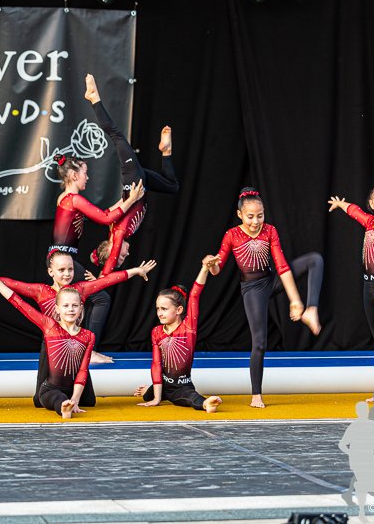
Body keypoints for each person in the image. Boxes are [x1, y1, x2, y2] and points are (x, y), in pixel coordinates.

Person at [0, 249, 156, 403]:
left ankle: (72, 397)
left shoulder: (80, 289)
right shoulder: (41, 291)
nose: (67, 274)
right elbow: (13, 285)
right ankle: (58, 398)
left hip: (76, 345)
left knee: (89, 401)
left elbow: (107, 281)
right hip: (51, 347)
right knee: (39, 399)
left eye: (70, 269)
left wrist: (135, 271)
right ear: (51, 272)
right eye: (61, 270)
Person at [206, 187, 323, 408]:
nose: (255, 221)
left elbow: (282, 266)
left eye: (260, 216)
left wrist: (296, 301)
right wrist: (211, 264)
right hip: (252, 288)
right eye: (250, 216)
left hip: (272, 279)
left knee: (315, 260)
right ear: (240, 214)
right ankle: (256, 395)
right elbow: (217, 268)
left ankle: (312, 310)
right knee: (259, 342)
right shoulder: (232, 235)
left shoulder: (270, 230)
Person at [50, 150, 144, 355]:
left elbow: (106, 212)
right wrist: (131, 201)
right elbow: (105, 219)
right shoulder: (73, 199)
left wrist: (126, 199)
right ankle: (88, 351)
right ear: (74, 175)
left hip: (62, 257)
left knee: (88, 299)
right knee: (100, 298)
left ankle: (81, 347)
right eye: (85, 173)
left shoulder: (67, 198)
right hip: (62, 259)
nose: (87, 177)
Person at [84, 74, 178, 276]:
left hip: (133, 182)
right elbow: (111, 210)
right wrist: (128, 199)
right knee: (172, 187)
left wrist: (100, 279)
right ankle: (166, 150)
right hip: (139, 185)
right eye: (124, 259)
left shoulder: (118, 234)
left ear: (112, 249)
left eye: (121, 257)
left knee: (116, 135)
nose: (126, 255)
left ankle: (93, 98)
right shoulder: (115, 229)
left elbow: (108, 268)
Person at [0, 258, 93, 419]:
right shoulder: (49, 326)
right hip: (51, 389)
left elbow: (83, 370)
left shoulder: (88, 335)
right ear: (57, 309)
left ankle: (70, 401)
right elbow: (18, 302)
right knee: (57, 397)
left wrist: (75, 399)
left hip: (73, 387)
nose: (70, 310)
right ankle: (63, 407)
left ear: (81, 308)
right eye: (66, 306)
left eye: (74, 306)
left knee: (89, 401)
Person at [328, 176, 374, 394]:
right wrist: (340, 204)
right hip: (368, 286)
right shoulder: (370, 223)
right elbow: (355, 212)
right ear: (371, 203)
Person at [134, 259, 221, 413]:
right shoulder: (156, 331)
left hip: (181, 386)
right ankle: (153, 392)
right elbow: (156, 364)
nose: (159, 313)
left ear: (179, 310)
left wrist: (204, 268)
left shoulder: (188, 328)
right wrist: (156, 397)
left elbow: (194, 295)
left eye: (164, 309)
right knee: (148, 396)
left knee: (190, 396)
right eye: (158, 309)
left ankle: (206, 403)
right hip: (163, 385)